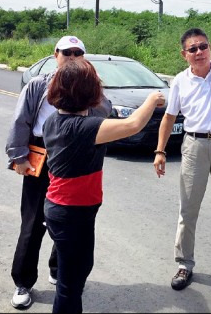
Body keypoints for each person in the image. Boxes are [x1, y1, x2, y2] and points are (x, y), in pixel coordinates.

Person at [42, 59, 165, 313]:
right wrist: (152, 100)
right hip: (70, 213)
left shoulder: (55, 120)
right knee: (69, 286)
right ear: (86, 92)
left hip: (71, 210)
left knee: (80, 269)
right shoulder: (80, 128)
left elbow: (103, 110)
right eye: (95, 83)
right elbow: (132, 125)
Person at [5, 35, 112, 310]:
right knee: (32, 221)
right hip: (41, 152)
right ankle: (23, 281)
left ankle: (58, 270)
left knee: (68, 218)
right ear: (56, 54)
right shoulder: (39, 84)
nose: (72, 57)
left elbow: (105, 112)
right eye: (67, 52)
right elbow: (21, 119)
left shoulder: (91, 86)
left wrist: (93, 89)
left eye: (78, 53)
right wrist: (18, 156)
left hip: (73, 153)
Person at [153, 27, 211, 294]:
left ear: (210, 49)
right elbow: (169, 117)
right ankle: (184, 264)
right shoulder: (180, 81)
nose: (199, 52)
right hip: (194, 146)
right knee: (188, 211)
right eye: (193, 49)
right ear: (184, 54)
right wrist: (160, 151)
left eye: (203, 47)